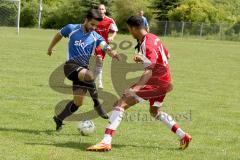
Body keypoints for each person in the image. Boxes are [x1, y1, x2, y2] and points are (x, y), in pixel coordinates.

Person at [86, 15, 191, 152]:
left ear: (135, 28)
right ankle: (183, 136)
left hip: (155, 82)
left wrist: (135, 89)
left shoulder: (146, 44)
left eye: (130, 29)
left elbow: (149, 71)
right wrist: (143, 59)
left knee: (120, 104)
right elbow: (167, 56)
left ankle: (106, 142)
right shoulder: (153, 37)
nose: (130, 33)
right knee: (155, 112)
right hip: (165, 81)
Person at [47, 9, 120, 131]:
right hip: (70, 66)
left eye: (96, 26)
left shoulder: (95, 35)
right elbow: (59, 34)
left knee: (78, 103)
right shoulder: (71, 28)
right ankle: (97, 104)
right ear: (86, 20)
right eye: (92, 24)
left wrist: (111, 52)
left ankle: (59, 118)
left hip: (83, 70)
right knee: (90, 75)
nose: (94, 27)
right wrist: (50, 48)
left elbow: (104, 45)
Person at [94, 4, 118, 89]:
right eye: (99, 9)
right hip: (93, 43)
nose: (101, 11)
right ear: (97, 10)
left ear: (105, 10)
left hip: (103, 44)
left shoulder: (109, 20)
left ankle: (97, 82)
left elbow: (115, 30)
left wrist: (112, 37)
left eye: (102, 9)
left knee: (99, 61)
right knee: (97, 61)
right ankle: (97, 82)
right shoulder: (94, 19)